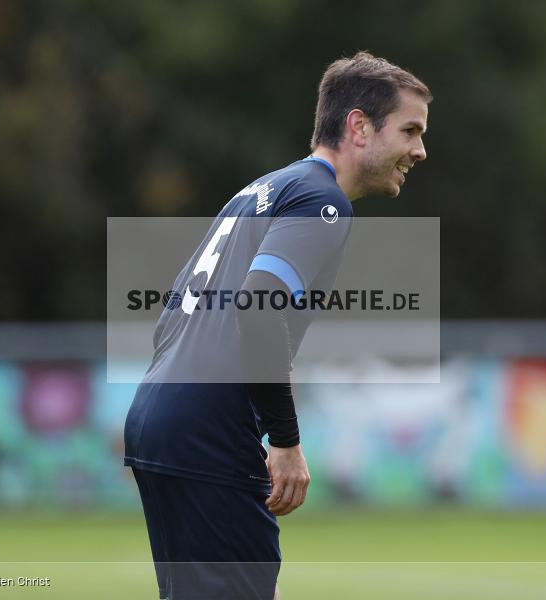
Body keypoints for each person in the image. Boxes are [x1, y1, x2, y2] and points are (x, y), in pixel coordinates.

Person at [123, 51, 431, 599]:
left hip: (161, 418)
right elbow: (258, 303)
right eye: (409, 130)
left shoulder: (263, 189)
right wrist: (285, 440)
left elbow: (172, 317)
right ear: (359, 126)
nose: (419, 149)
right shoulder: (321, 201)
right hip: (206, 432)